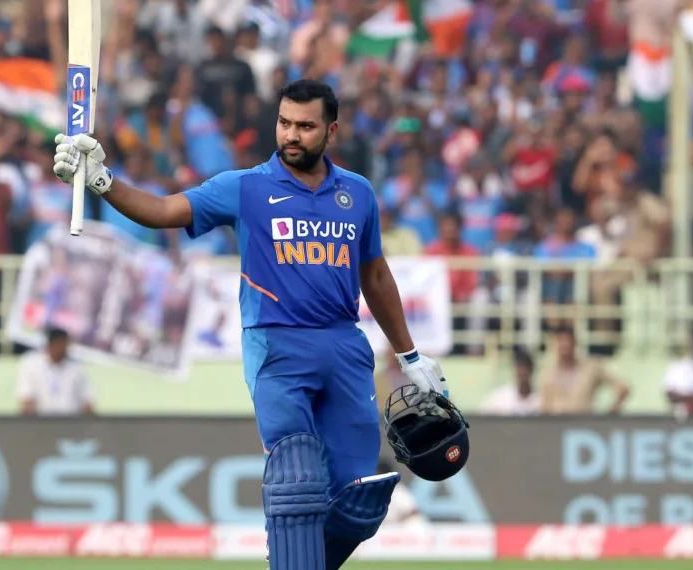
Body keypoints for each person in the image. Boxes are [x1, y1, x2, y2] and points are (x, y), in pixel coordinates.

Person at [51, 79, 446, 570]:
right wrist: (101, 180)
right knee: (297, 479)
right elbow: (162, 210)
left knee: (362, 501)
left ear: (332, 130)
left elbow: (376, 276)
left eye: (306, 126)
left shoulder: (358, 194)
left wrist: (409, 355)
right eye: (285, 123)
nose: (292, 135)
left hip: (345, 346)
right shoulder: (245, 187)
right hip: (276, 345)